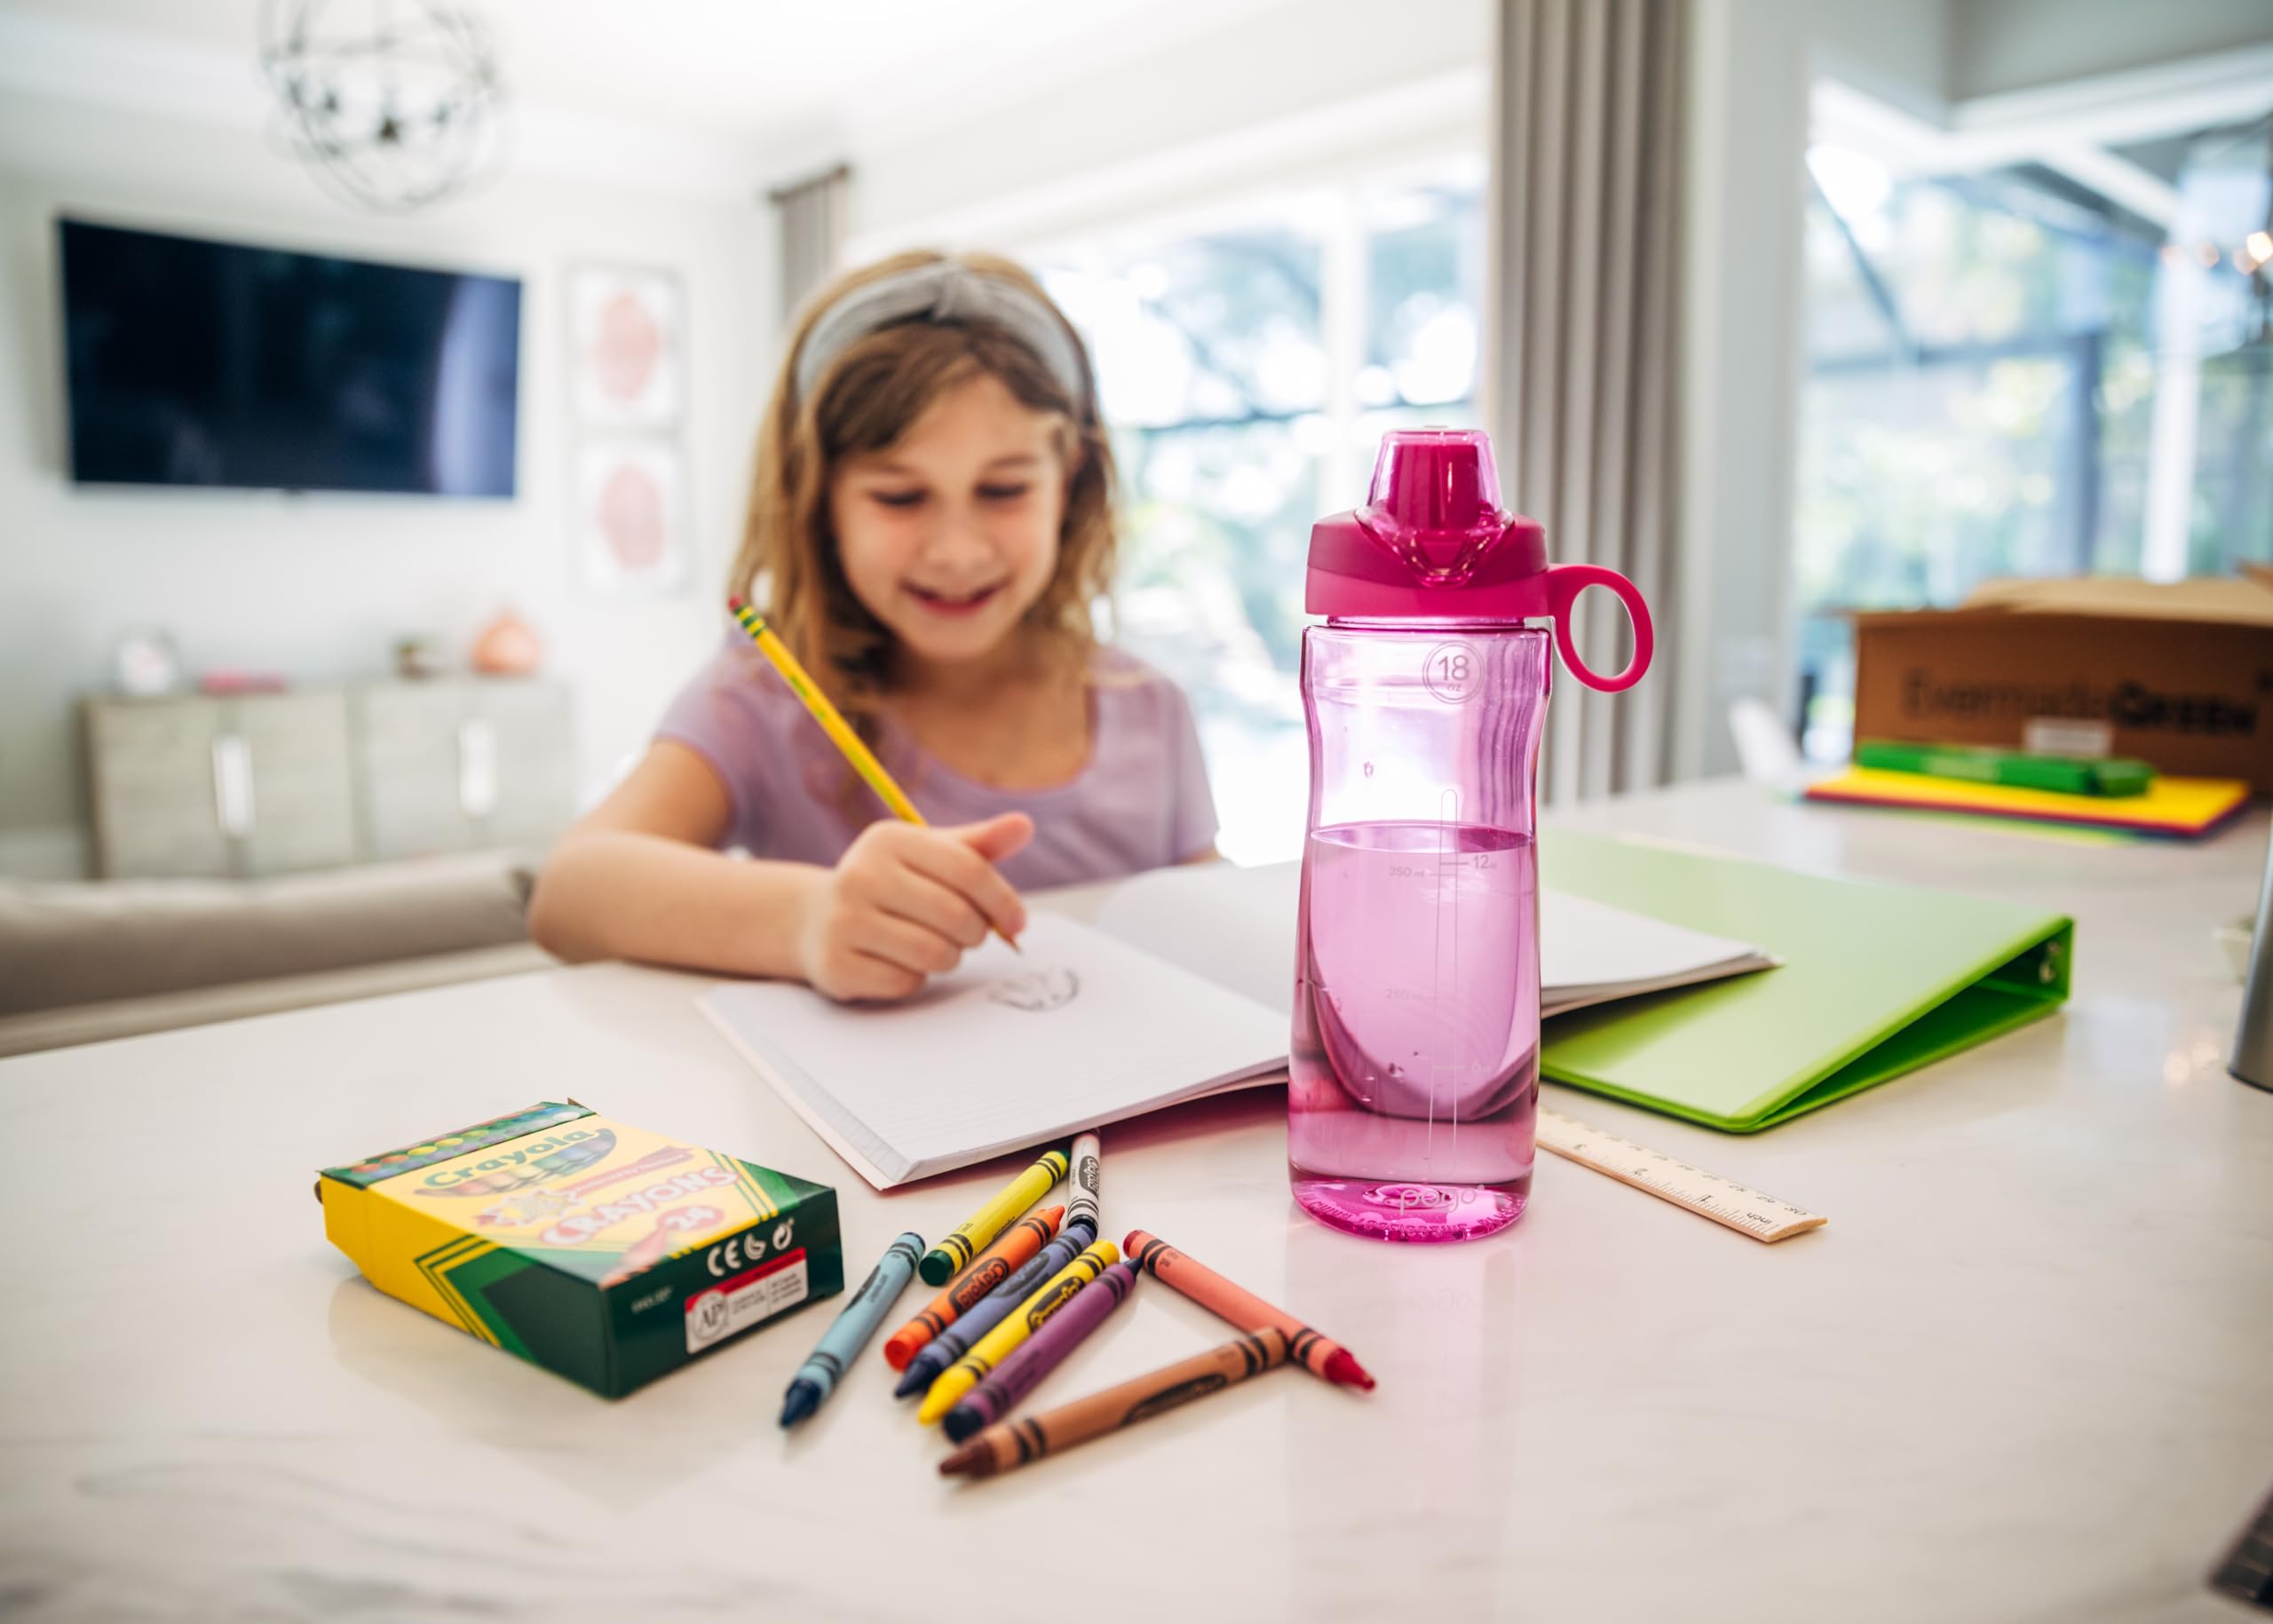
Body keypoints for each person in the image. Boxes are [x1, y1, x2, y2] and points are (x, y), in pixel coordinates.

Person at [530, 250, 1218, 1000]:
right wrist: (804, 918)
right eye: (898, 496)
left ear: (1073, 480)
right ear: (819, 498)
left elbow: (1202, 920)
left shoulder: (1150, 706)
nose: (957, 551)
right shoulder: (761, 700)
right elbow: (569, 892)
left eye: (1004, 488)